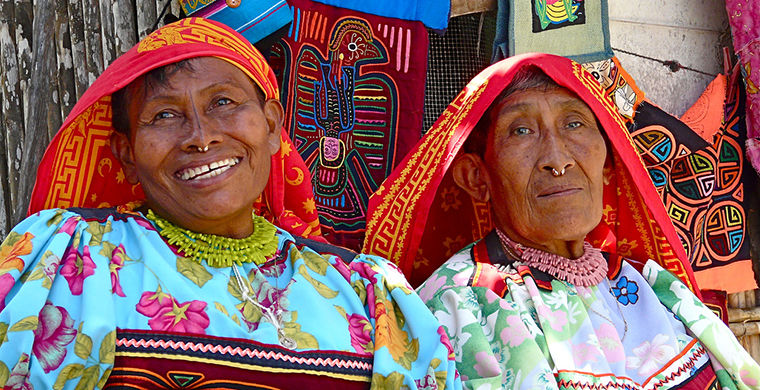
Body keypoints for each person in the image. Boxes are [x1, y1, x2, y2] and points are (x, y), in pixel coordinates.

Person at [0, 18, 459, 389]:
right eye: (164, 115)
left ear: (273, 125)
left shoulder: (365, 291)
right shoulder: (71, 260)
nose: (201, 136)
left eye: (223, 102)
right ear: (127, 155)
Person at [364, 53, 760, 389]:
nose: (558, 158)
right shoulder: (460, 305)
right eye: (521, 131)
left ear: (608, 160)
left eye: (574, 123)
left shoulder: (651, 287)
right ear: (476, 177)